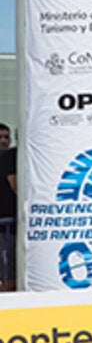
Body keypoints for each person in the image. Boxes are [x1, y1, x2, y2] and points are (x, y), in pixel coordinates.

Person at [0, 124, 16, 292]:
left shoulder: (12, 156)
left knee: (8, 269)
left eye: (6, 137)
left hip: (10, 225)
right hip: (5, 225)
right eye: (0, 137)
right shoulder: (8, 158)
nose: (4, 141)